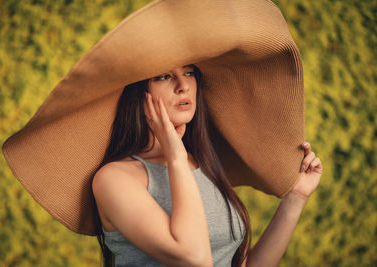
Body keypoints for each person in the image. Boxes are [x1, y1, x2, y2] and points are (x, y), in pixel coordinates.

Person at [91, 64, 323, 267]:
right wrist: (176, 156)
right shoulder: (114, 178)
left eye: (189, 73)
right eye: (163, 76)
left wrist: (296, 198)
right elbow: (195, 258)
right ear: (138, 94)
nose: (183, 85)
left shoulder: (205, 166)